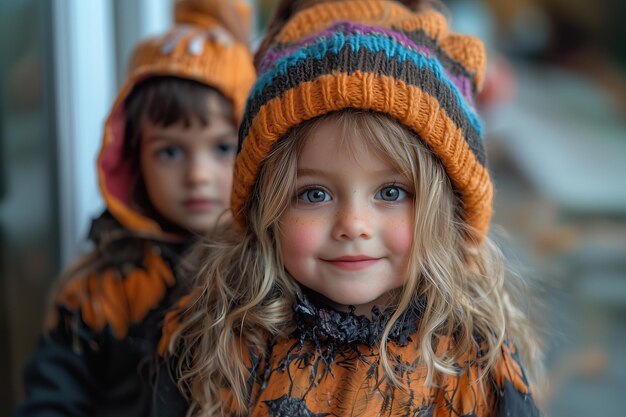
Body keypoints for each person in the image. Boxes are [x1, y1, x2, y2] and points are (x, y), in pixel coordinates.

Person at [158, 0, 543, 416]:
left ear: (449, 212)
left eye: (391, 192)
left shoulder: (475, 363)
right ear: (263, 208)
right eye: (315, 194)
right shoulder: (214, 344)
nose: (353, 225)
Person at [12, 1, 255, 416]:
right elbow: (53, 399)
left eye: (222, 147)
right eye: (170, 151)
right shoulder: (101, 286)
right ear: (133, 159)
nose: (197, 175)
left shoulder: (263, 275)